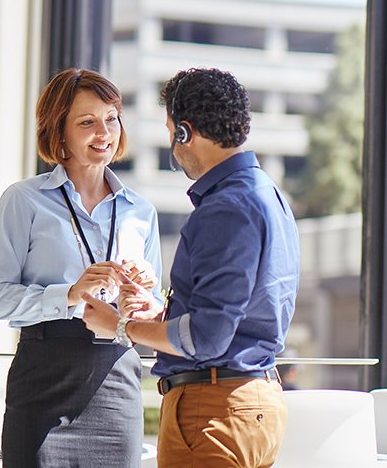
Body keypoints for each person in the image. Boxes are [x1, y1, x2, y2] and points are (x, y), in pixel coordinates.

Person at [81, 67, 301, 468]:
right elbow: (238, 315)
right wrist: (161, 316)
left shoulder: (226, 208)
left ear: (185, 132)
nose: (171, 146)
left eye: (170, 132)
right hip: (253, 403)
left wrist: (119, 326)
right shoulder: (267, 195)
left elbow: (208, 339)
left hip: (214, 410)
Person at [0, 68, 161, 468]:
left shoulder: (142, 212)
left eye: (111, 118)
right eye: (87, 122)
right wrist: (70, 294)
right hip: (44, 375)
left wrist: (143, 298)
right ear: (58, 132)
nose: (104, 132)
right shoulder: (23, 201)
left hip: (117, 380)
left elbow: (153, 308)